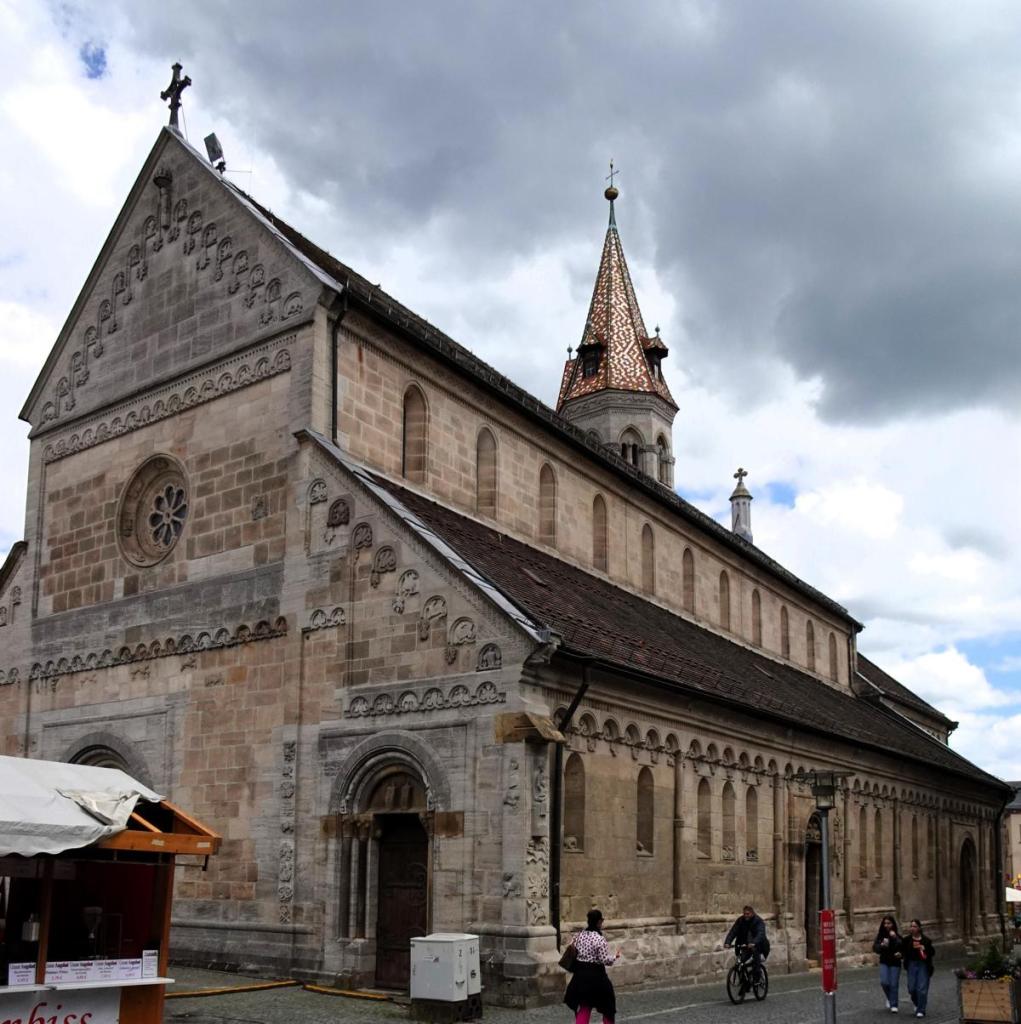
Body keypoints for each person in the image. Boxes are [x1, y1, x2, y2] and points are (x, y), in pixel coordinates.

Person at [564, 909, 619, 1024]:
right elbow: (604, 960)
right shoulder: (599, 939)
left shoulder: (578, 935)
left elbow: (572, 949)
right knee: (608, 1006)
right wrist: (615, 957)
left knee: (585, 1006)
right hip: (597, 977)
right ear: (599, 922)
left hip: (580, 976)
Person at [901, 918, 935, 1018]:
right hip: (911, 964)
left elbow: (932, 952)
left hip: (923, 965)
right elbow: (903, 951)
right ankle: (917, 1003)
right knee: (911, 988)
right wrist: (901, 955)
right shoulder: (907, 940)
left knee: (922, 989)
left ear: (919, 928)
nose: (912, 928)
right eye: (911, 926)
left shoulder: (926, 940)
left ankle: (921, 1009)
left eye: (914, 926)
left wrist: (924, 949)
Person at [723, 905, 768, 980]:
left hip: (759, 946)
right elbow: (733, 931)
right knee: (740, 963)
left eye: (748, 914)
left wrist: (754, 942)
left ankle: (757, 979)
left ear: (752, 913)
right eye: (744, 914)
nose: (745, 916)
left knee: (756, 963)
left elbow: (760, 933)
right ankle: (744, 981)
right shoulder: (740, 920)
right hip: (746, 945)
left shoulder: (758, 921)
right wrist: (727, 942)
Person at [873, 915, 903, 1013]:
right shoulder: (881, 935)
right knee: (884, 982)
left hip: (895, 961)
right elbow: (875, 948)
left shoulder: (897, 935)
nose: (886, 925)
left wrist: (895, 937)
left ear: (893, 924)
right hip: (884, 961)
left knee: (894, 984)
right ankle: (890, 998)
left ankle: (894, 1004)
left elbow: (902, 946)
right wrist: (880, 946)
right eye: (885, 923)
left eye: (889, 923)